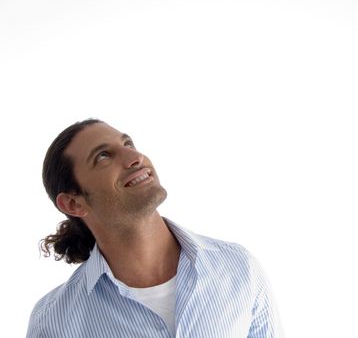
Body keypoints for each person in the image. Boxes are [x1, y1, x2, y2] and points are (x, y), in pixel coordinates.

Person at [27, 119, 283, 338]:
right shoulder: (53, 323)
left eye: (128, 144)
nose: (135, 158)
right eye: (103, 156)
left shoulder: (238, 267)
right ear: (73, 202)